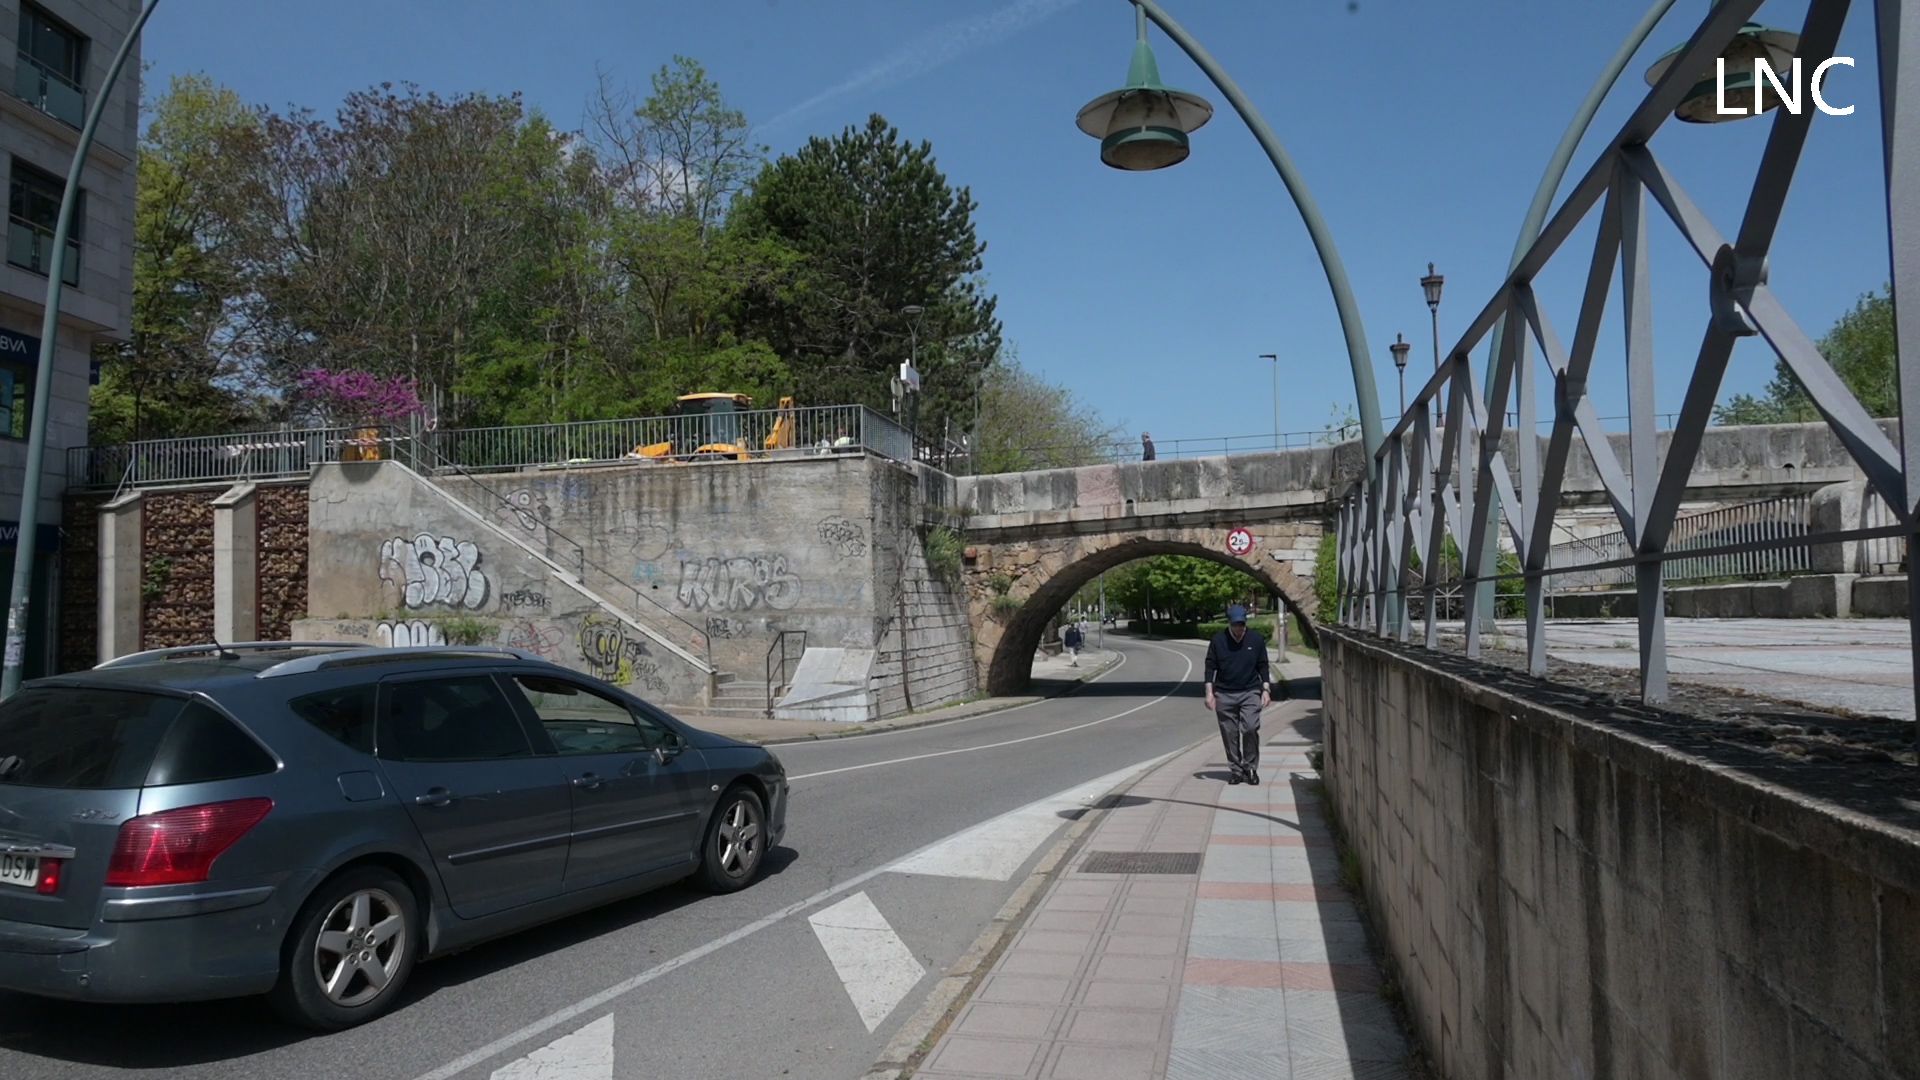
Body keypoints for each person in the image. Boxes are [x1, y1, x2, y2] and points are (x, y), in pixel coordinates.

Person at [1203, 605, 1271, 785]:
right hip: (1225, 693)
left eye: (1241, 625)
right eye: (1235, 625)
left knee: (1250, 727)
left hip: (1250, 691)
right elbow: (1210, 667)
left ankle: (1250, 767)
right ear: (1229, 623)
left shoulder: (1255, 639)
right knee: (1229, 733)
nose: (1239, 629)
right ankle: (1236, 770)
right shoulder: (1218, 641)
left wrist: (1266, 690)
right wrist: (1209, 693)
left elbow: (1263, 665)